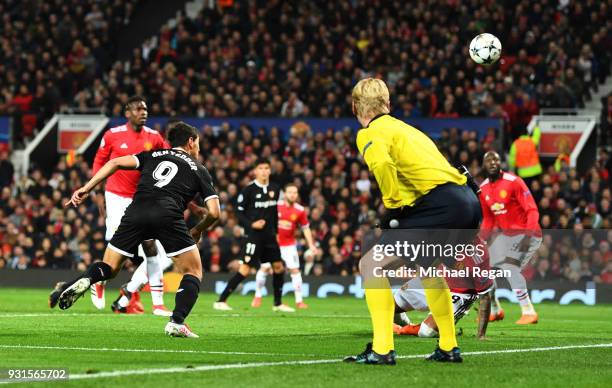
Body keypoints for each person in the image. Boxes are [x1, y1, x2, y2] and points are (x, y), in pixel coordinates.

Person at [344, 78, 481, 365]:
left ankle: (382, 350)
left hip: (440, 206)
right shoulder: (407, 129)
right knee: (429, 270)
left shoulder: (369, 133)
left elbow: (382, 165)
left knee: (370, 265)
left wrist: (392, 208)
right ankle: (448, 346)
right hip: (467, 202)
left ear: (355, 106)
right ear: (388, 104)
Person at [49, 122, 220, 338]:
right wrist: (197, 230)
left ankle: (90, 279)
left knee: (109, 267)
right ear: (191, 141)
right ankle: (176, 322)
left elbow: (115, 162)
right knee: (193, 271)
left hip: (136, 211)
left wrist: (86, 188)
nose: (198, 149)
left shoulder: (154, 154)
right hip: (168, 215)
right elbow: (214, 213)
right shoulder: (199, 168)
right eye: (198, 144)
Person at [90, 96, 171, 316]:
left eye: (145, 108)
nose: (143, 112)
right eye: (138, 109)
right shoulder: (112, 135)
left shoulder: (154, 138)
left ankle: (158, 304)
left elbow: (169, 160)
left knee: (151, 248)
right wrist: (96, 192)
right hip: (116, 196)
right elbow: (99, 162)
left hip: (142, 199)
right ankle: (99, 279)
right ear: (127, 112)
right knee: (119, 248)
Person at [213, 159, 294, 313]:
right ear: (255, 171)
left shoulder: (275, 189)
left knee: (278, 267)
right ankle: (221, 300)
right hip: (254, 236)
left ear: (270, 171)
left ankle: (277, 304)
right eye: (261, 168)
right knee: (244, 269)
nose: (264, 171)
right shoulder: (248, 190)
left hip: (270, 236)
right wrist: (251, 224)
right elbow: (238, 212)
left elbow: (274, 214)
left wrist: (276, 233)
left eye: (266, 168)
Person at [480, 151, 542, 324]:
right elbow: (489, 219)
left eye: (496, 159)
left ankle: (528, 311)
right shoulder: (483, 188)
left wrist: (527, 237)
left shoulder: (514, 182)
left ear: (501, 163)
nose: (492, 162)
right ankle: (495, 309)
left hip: (528, 233)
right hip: (506, 236)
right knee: (483, 268)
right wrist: (481, 240)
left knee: (509, 266)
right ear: (484, 165)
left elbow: (532, 210)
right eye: (488, 160)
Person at [392, 236, 492, 340]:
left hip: (460, 293)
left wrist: (481, 335)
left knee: (427, 332)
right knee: (389, 305)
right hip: (436, 280)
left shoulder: (479, 256)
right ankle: (406, 325)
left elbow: (485, 296)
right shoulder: (443, 233)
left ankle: (406, 329)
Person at [252, 183, 319, 309]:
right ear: (285, 194)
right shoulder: (275, 206)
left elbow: (306, 228)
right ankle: (258, 295)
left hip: (289, 245)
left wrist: (311, 245)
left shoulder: (300, 210)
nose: (293, 195)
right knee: (264, 268)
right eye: (290, 192)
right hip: (272, 244)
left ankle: (299, 301)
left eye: (295, 193)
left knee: (295, 270)